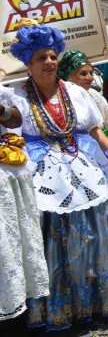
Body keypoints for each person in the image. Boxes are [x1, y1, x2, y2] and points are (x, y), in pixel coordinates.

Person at [10, 22, 108, 330]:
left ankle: (93, 301)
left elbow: (94, 130)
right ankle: (55, 307)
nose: (49, 62)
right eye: (41, 58)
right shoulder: (16, 97)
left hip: (82, 166)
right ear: (28, 62)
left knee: (93, 236)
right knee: (52, 239)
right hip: (42, 175)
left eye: (52, 56)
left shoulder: (76, 93)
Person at [0, 85, 49, 321]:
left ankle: (14, 303)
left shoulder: (2, 91)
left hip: (6, 169)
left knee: (10, 239)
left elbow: (14, 119)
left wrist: (0, 109)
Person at [58, 50, 108, 148]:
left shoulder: (95, 95)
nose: (90, 78)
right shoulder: (59, 101)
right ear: (68, 76)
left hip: (105, 145)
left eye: (91, 73)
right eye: (83, 74)